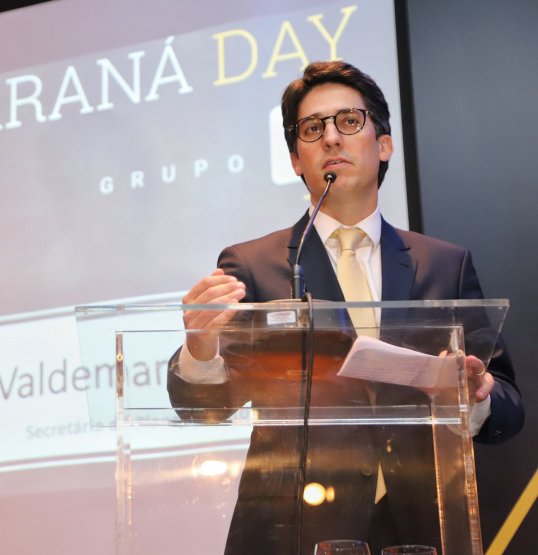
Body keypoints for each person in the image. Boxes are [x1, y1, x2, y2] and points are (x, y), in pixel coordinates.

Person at [167, 61, 524, 554]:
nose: (331, 138)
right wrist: (200, 349)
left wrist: (477, 392)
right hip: (295, 532)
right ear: (296, 159)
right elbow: (203, 409)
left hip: (422, 533)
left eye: (348, 122)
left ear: (383, 145)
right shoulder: (253, 265)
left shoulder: (445, 264)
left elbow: (508, 403)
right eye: (313, 130)